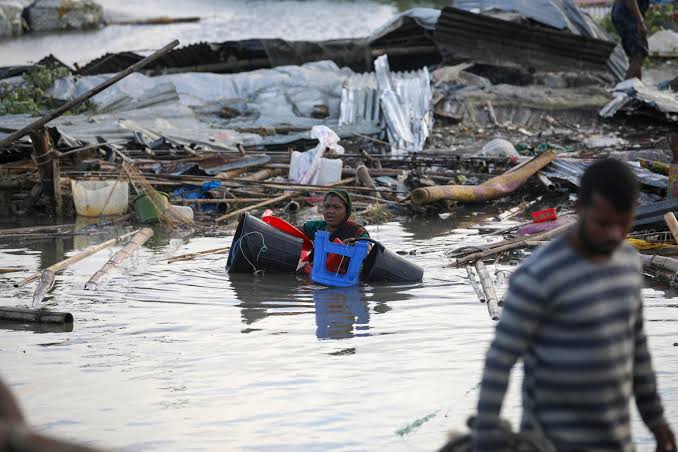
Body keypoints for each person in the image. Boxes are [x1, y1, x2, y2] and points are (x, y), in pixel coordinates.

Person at [472, 159, 676, 452]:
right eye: (603, 224)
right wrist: (485, 439)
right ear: (579, 210)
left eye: (623, 224)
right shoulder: (537, 276)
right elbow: (499, 362)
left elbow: (637, 351)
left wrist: (657, 422)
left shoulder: (627, 264)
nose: (614, 236)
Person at [300, 190, 369, 244]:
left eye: (336, 207)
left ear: (347, 211)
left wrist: (357, 245)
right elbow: (294, 230)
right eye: (326, 206)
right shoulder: (317, 227)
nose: (330, 211)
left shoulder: (356, 231)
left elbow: (367, 245)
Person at [612, 0, 650, 80]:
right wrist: (640, 22)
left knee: (634, 55)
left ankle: (636, 86)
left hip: (623, 12)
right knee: (639, 53)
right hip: (628, 14)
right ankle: (623, 88)